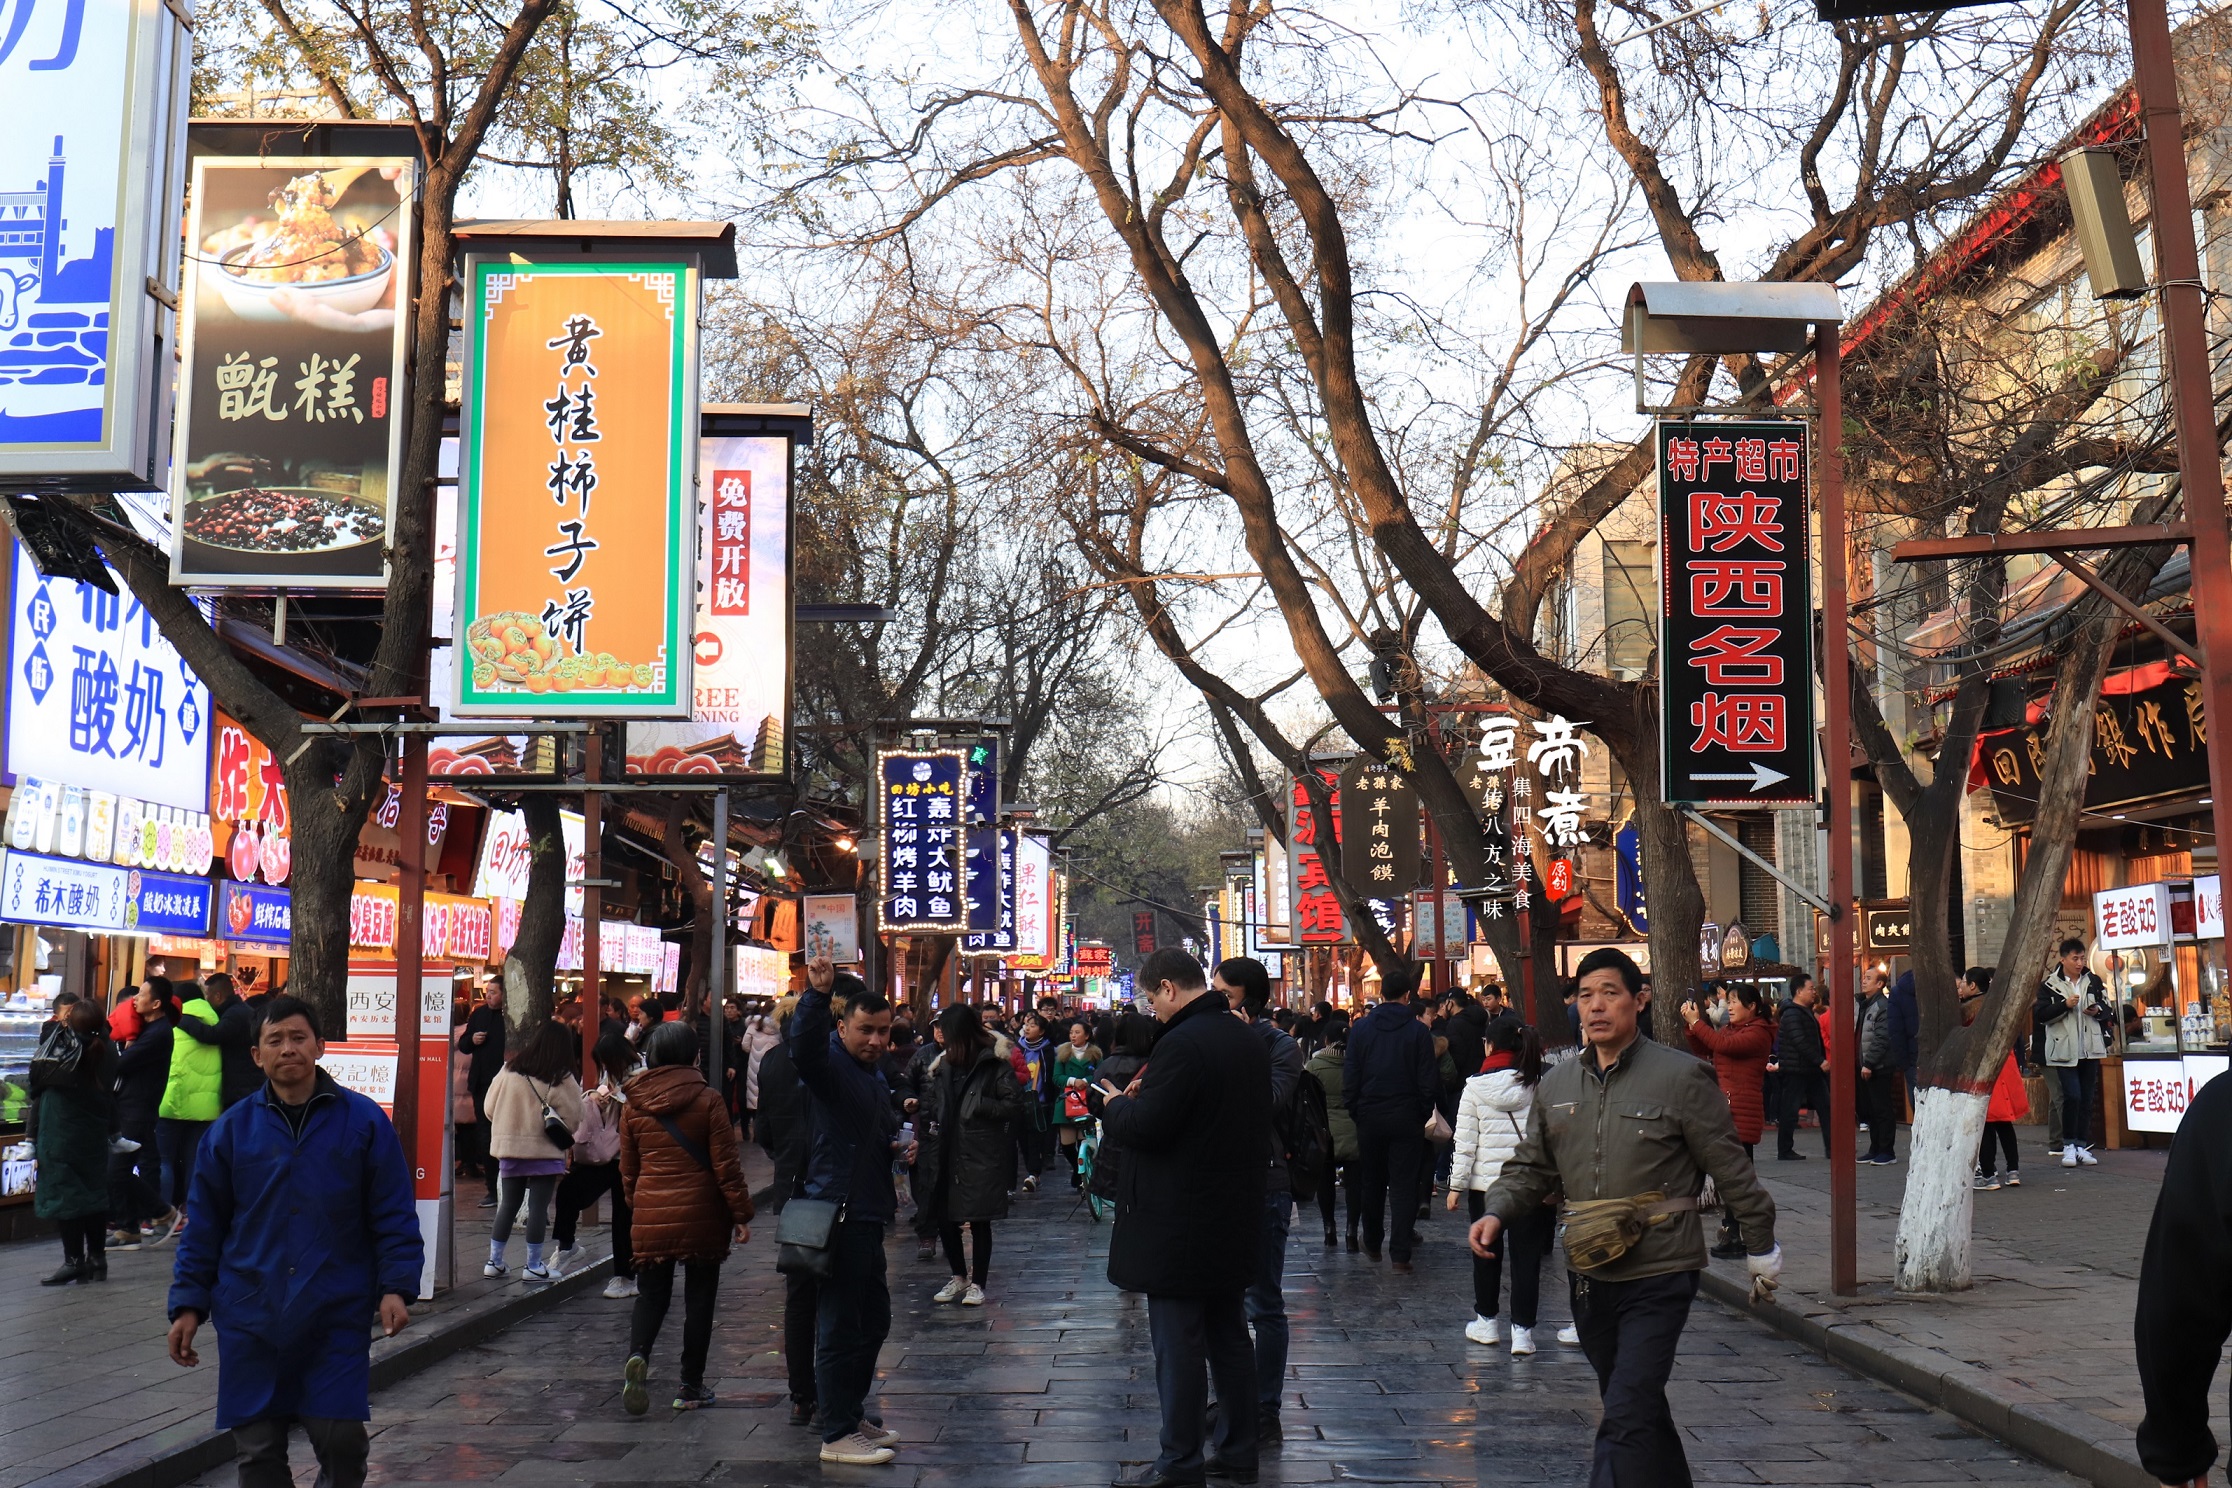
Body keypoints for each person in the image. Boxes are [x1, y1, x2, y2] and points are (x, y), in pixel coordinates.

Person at [1470, 948, 1779, 1488]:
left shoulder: (1682, 1077)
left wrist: (1760, 1246)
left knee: (1625, 1414)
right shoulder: (1558, 1085)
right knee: (1633, 1403)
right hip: (1589, 1274)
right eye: (1585, 995)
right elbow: (1531, 1168)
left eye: (1609, 993)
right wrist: (1496, 1211)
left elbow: (1730, 1168)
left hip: (1660, 1269)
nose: (1595, 1007)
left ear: (1639, 1000)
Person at [167, 995, 421, 1488]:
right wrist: (188, 1305)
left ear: (321, 1047)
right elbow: (204, 1228)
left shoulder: (364, 1122)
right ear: (256, 1055)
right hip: (250, 1313)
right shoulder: (230, 1132)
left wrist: (396, 1286)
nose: (288, 1049)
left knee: (342, 1441)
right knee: (258, 1455)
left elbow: (392, 1212)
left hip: (334, 1310)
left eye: (298, 1037)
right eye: (274, 1040)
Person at [1096, 949, 1271, 1488]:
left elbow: (1150, 1127)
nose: (1153, 1010)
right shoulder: (1245, 1037)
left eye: (1152, 999)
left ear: (1169, 988)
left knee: (1178, 1347)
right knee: (1230, 1339)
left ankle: (1180, 1460)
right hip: (1234, 1210)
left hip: (1180, 1218)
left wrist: (1114, 1106)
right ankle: (1240, 1451)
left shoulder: (1183, 1043)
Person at [788, 958, 908, 1467]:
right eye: (866, 1030)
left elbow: (873, 1135)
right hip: (839, 1212)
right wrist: (815, 996)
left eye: (884, 1032)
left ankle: (850, 1411)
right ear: (843, 1027)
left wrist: (898, 1145)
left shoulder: (871, 1075)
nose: (877, 1040)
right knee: (839, 1325)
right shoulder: (833, 1066)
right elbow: (806, 1054)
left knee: (873, 1319)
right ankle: (835, 1432)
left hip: (868, 1210)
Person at [618, 1020, 754, 1414]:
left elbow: (629, 1169)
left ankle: (638, 1355)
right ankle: (690, 1386)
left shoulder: (633, 1103)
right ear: (694, 1056)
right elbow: (726, 1167)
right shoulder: (709, 1100)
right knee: (700, 1298)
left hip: (651, 1212)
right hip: (702, 1213)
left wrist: (637, 1204)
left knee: (651, 1294)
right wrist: (741, 1213)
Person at [1214, 956, 1303, 1444]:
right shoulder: (1212, 1036)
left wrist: (1242, 1046)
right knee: (1220, 1298)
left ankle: (1265, 1408)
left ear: (1246, 998)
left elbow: (1263, 1103)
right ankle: (1230, 1399)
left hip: (1264, 1182)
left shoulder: (1278, 1045)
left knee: (1264, 1302)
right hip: (1216, 1181)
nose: (1216, 1002)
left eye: (1223, 994)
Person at [1447, 1018, 1552, 1354]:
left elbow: (1465, 1143)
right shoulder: (1539, 1083)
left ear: (1489, 1046)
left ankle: (1487, 1322)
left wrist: (1455, 1186)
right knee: (1527, 1259)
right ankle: (1522, 1332)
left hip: (1485, 1188)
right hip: (1530, 1185)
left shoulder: (1474, 1088)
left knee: (1486, 1254)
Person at [918, 1003, 1023, 1306]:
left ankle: (978, 1282)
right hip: (945, 1149)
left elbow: (1014, 1106)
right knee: (944, 1215)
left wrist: (985, 1107)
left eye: (944, 1029)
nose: (939, 1035)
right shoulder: (942, 1065)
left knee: (979, 1219)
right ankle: (958, 1275)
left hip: (979, 1149)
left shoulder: (993, 1063)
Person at [1344, 969, 1436, 1272]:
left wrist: (1356, 1109)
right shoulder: (1418, 1031)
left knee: (1371, 1180)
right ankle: (1400, 1253)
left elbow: (1351, 1076)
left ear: (1381, 993)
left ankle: (1372, 1240)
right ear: (1407, 995)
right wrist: (1422, 1111)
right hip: (1407, 1115)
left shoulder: (1361, 1029)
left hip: (1369, 1114)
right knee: (1403, 1184)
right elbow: (1427, 1079)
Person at [481, 1020, 585, 1284]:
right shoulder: (562, 1077)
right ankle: (534, 1265)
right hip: (545, 1149)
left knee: (508, 1204)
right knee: (538, 1206)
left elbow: (489, 1108)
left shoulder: (509, 1069)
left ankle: (494, 1261)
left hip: (510, 1147)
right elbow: (574, 1118)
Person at [32, 997, 119, 1284]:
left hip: (61, 1131)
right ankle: (97, 1258)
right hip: (93, 1131)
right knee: (92, 1192)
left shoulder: (64, 1046)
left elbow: (39, 1078)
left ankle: (74, 1260)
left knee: (65, 1193)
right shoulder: (106, 1048)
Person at [1683, 983, 1773, 1257]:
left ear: (1752, 1007)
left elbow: (1722, 1044)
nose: (1730, 1006)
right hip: (1728, 1111)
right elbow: (1709, 1048)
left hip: (1742, 1114)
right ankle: (1733, 1231)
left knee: (1739, 1180)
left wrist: (1698, 1023)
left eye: (1734, 1001)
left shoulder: (1758, 1033)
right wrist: (1692, 1026)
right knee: (1732, 1178)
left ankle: (1741, 1234)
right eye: (1729, 1001)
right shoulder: (1733, 1030)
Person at [555, 1032, 639, 1298]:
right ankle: (567, 1245)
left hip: (630, 1154)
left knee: (623, 1217)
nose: (605, 1067)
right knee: (569, 1190)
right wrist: (596, 1097)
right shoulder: (610, 1074)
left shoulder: (643, 1072)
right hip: (605, 1151)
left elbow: (646, 1106)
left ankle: (625, 1276)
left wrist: (620, 1098)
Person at [109, 979, 180, 1250]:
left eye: (141, 994)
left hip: (137, 1109)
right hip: (132, 1106)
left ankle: (163, 1212)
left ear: (156, 1003)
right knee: (125, 1168)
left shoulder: (159, 1032)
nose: (135, 999)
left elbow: (122, 1063)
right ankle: (129, 1229)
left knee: (117, 1170)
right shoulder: (148, 1028)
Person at [2036, 938, 2112, 1168]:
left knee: (2087, 1099)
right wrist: (2064, 1005)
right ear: (2063, 959)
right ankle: (2067, 1145)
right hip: (2064, 1050)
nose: (2079, 963)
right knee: (2072, 1096)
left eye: (2081, 958)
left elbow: (2108, 1009)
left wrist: (2097, 1010)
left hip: (2090, 1048)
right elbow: (2042, 1015)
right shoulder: (2049, 985)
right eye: (2074, 958)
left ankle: (2081, 1145)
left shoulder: (2094, 980)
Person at [157, 981, 224, 1217]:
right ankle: (191, 1212)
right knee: (195, 1161)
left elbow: (171, 1067)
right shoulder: (215, 1022)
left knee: (163, 1160)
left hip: (172, 1103)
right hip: (206, 1107)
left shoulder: (173, 1024)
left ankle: (162, 1215)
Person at [1964, 969, 2026, 1192]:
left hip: (1984, 1069)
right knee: (2004, 1123)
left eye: (1963, 981)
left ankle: (1989, 1175)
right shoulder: (2000, 1006)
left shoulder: (1969, 1012)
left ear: (1973, 986)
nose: (1960, 986)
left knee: (1986, 1124)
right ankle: (2013, 1171)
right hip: (2005, 1066)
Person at [1304, 1021, 1359, 1250]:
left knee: (1324, 1182)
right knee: (1357, 1184)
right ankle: (1352, 1231)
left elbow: (1305, 1099)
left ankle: (1329, 1227)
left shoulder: (1314, 1066)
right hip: (1354, 1130)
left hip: (1323, 1132)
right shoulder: (1358, 1064)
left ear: (1326, 1040)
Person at [172, 972, 260, 1110]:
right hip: (244, 1084)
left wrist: (183, 1019)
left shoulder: (235, 1014)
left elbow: (212, 1035)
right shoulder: (238, 1010)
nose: (206, 1000)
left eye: (207, 995)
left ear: (218, 996)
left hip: (242, 1087)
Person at [458, 982, 508, 1207]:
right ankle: (492, 1189)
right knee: (486, 1136)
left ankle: (508, 1188)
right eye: (487, 992)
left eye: (493, 992)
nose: (488, 996)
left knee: (505, 1136)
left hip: (506, 1085)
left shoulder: (512, 1017)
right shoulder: (479, 1015)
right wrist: (472, 1040)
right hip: (481, 1085)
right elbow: (464, 1044)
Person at [1774, 975, 1832, 1160]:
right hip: (1796, 1070)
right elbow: (1800, 1042)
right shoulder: (1791, 1013)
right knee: (1790, 1111)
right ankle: (1784, 1150)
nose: (1813, 991)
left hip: (1809, 1070)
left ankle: (1832, 1147)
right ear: (1799, 992)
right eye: (1810, 988)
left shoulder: (1804, 1011)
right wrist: (1819, 1060)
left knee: (1826, 1108)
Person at [1856, 967, 1899, 1164]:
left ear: (1880, 984)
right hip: (1865, 1065)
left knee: (1882, 1109)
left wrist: (1870, 1062)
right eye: (1864, 977)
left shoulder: (1882, 1005)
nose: (1863, 981)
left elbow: (1881, 1038)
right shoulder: (1863, 1004)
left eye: (1868, 978)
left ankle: (1887, 1151)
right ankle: (1875, 1148)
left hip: (1879, 1066)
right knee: (1871, 1109)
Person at [1052, 1020, 1100, 1187]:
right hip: (1067, 1101)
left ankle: (1083, 1175)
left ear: (1087, 1035)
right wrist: (1073, 1081)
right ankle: (1076, 1168)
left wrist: (1085, 1081)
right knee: (1066, 1145)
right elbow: (1056, 1077)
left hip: (1086, 1101)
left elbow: (1100, 1075)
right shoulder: (1063, 1053)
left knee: (1082, 1141)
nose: (1073, 1035)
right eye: (1072, 1032)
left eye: (1077, 1032)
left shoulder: (1095, 1054)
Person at [1012, 1013, 1056, 1191]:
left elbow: (1051, 1076)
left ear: (1042, 1031)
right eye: (1027, 1025)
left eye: (1033, 1025)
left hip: (1042, 1101)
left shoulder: (1049, 1051)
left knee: (1035, 1137)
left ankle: (1034, 1173)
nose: (1028, 1028)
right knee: (1023, 1138)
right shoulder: (1017, 1049)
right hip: (1020, 1100)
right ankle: (1033, 1171)